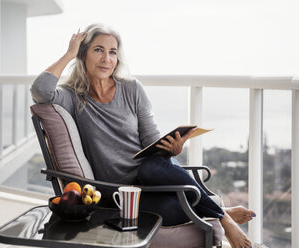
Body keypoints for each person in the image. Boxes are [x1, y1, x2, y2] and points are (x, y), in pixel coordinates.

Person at [31, 23, 255, 248]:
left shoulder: (132, 88)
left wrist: (172, 148)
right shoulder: (72, 96)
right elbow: (41, 91)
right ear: (83, 54)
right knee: (168, 209)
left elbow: (151, 140)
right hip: (118, 193)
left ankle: (223, 218)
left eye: (112, 52)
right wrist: (69, 53)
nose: (106, 59)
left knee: (150, 167)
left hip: (152, 176)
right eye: (98, 50)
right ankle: (220, 210)